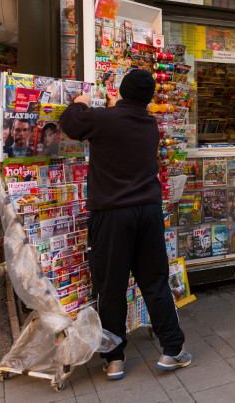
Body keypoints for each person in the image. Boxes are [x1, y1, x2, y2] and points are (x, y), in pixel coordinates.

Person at [59, 69, 190, 380]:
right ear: (148, 98)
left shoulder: (104, 118)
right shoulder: (150, 125)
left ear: (121, 90)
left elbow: (70, 123)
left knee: (111, 285)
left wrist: (79, 102)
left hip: (113, 215)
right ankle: (173, 349)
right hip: (148, 211)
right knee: (155, 280)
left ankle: (114, 358)